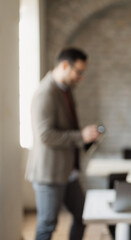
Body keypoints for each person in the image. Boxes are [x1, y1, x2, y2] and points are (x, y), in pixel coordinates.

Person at [25, 47, 101, 240]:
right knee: (47, 225)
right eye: (79, 72)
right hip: (49, 174)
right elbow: (45, 135)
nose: (81, 77)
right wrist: (80, 136)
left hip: (68, 172)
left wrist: (84, 137)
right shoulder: (46, 93)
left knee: (83, 215)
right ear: (65, 66)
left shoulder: (64, 90)